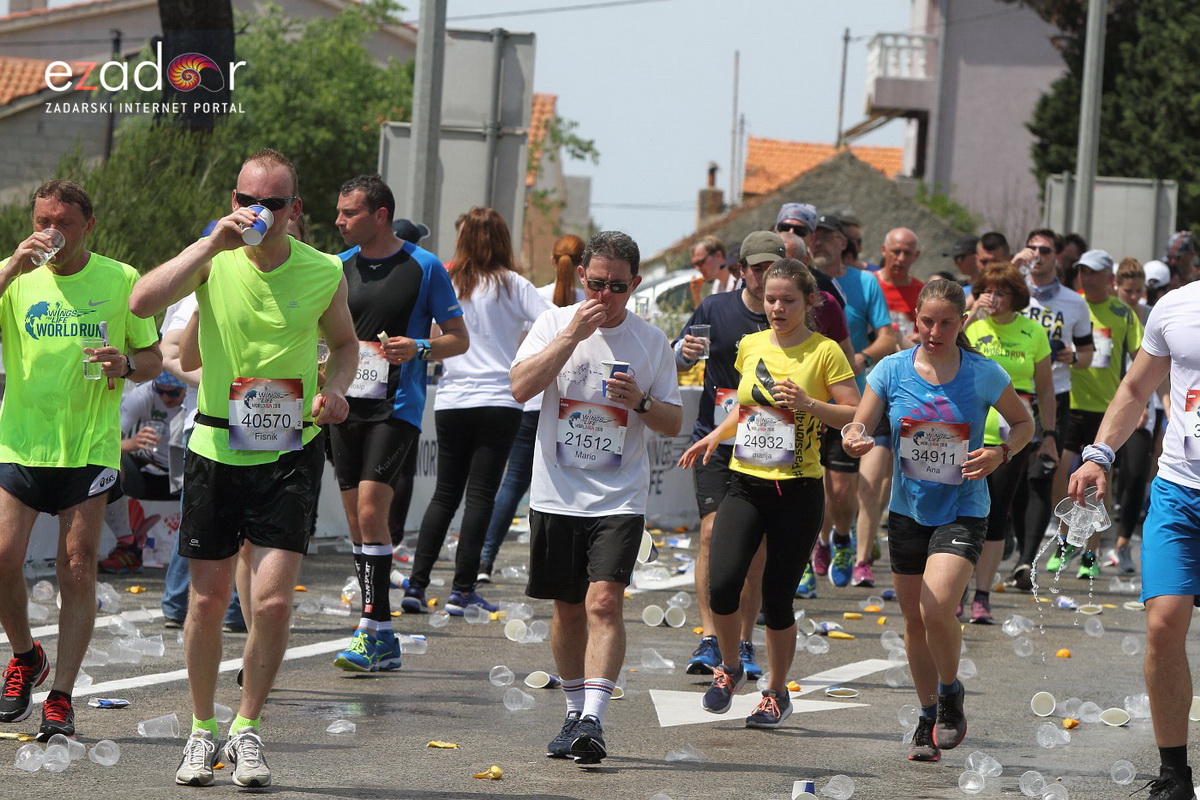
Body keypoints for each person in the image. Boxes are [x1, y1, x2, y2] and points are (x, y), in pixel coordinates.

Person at [130, 148, 358, 788]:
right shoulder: (213, 259)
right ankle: (201, 730)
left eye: (271, 203)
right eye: (245, 200)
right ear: (232, 201)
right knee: (206, 603)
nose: (257, 212)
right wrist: (209, 245)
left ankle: (247, 727)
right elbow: (142, 303)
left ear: (294, 209)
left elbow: (345, 345)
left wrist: (335, 390)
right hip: (214, 447)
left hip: (289, 449)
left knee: (274, 602)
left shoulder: (323, 269)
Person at [843, 278, 1032, 762]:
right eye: (927, 321)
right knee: (913, 620)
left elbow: (1025, 423)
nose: (935, 331)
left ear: (962, 322)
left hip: (964, 507)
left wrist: (1000, 453)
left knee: (936, 607)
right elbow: (860, 421)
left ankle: (950, 694)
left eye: (947, 323)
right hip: (908, 511)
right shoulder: (891, 369)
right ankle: (928, 716)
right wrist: (854, 437)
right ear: (916, 320)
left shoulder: (983, 373)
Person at [510, 231, 681, 765]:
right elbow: (519, 387)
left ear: (635, 285)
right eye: (597, 284)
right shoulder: (552, 324)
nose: (605, 296)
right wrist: (570, 337)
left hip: (618, 497)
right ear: (582, 276)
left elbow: (674, 422)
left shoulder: (651, 342)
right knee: (567, 610)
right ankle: (572, 712)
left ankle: (593, 719)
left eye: (618, 287)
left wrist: (642, 403)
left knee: (603, 601)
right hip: (557, 494)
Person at [0, 179, 161, 741]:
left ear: (88, 226)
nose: (52, 233)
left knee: (76, 563)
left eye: (64, 223)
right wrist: (11, 267)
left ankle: (62, 696)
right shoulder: (14, 278)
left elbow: (153, 356)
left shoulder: (120, 279)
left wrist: (127, 366)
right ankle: (27, 657)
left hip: (88, 445)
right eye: (43, 221)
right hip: (22, 443)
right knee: (2, 557)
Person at [679, 258, 859, 728]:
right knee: (722, 585)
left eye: (788, 300)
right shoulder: (751, 344)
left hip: (797, 490)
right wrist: (713, 436)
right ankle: (730, 667)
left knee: (777, 600)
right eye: (770, 299)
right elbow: (746, 408)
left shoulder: (825, 352)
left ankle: (776, 692)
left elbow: (855, 412)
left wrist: (809, 403)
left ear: (809, 301)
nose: (777, 307)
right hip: (745, 481)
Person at [1067, 275, 1200, 800]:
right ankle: (1174, 776)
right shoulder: (1177, 306)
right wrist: (1100, 454)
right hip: (1179, 492)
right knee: (1163, 626)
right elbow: (1134, 389)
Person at [328, 175, 467, 671]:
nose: (339, 221)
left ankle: (373, 626)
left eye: (349, 213)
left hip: (397, 406)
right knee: (354, 518)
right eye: (339, 212)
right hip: (344, 403)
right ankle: (380, 633)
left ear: (380, 215)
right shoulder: (336, 267)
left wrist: (420, 347)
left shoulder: (424, 266)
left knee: (372, 510)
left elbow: (459, 338)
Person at [403, 207, 548, 617]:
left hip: (453, 398)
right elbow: (551, 323)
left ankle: (416, 584)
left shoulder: (450, 281)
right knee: (481, 495)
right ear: (503, 239)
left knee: (445, 494)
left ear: (462, 240)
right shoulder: (513, 284)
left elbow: (433, 336)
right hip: (500, 399)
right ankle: (462, 589)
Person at [673, 230, 779, 679]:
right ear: (741, 270)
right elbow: (676, 357)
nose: (765, 277)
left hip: (767, 440)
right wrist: (683, 352)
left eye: (773, 268)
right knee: (711, 534)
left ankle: (746, 641)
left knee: (754, 549)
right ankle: (711, 637)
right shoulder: (715, 308)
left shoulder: (788, 317)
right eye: (757, 268)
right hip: (715, 439)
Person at [479, 234, 586, 580]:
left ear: (554, 262)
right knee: (580, 482)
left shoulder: (534, 296)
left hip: (533, 402)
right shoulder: (591, 304)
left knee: (513, 482)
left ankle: (484, 558)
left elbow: (522, 348)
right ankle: (576, 566)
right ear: (583, 268)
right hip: (575, 406)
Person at [962, 262, 1057, 622]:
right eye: (987, 290)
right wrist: (972, 312)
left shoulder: (1033, 331)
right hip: (967, 431)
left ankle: (982, 594)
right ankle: (958, 588)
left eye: (1001, 292)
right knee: (961, 514)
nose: (994, 298)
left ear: (1016, 296)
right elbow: (940, 349)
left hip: (1010, 437)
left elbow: (1046, 389)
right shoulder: (972, 325)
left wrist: (1050, 435)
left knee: (996, 513)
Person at [810, 213, 898, 589]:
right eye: (814, 235)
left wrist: (861, 358)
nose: (818, 241)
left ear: (842, 243)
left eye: (826, 235)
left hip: (852, 398)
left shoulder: (865, 283)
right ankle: (816, 543)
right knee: (812, 484)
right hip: (805, 398)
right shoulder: (800, 281)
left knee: (843, 489)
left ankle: (841, 538)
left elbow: (888, 338)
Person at [1046, 250, 1142, 580]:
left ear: (1109, 277)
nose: (1086, 277)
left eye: (1093, 271)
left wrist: (1142, 404)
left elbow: (1141, 358)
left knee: (1101, 484)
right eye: (1082, 271)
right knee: (1062, 474)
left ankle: (1091, 552)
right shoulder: (1073, 304)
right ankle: (1063, 541)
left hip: (1106, 409)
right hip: (1070, 402)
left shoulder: (1122, 312)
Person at [1009, 228, 1094, 589]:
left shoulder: (1073, 302)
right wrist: (1013, 266)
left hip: (1053, 396)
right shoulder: (1014, 292)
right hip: (1011, 395)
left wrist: (1072, 357)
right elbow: (980, 303)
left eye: (1044, 250)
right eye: (1031, 248)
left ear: (1057, 256)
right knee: (1013, 481)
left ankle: (1026, 562)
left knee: (1040, 477)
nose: (1037, 255)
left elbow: (1088, 355)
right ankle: (1017, 544)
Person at [97, 371, 189, 574]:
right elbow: (106, 445)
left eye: (173, 393)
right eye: (160, 391)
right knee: (105, 466)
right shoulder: (141, 396)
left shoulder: (198, 399)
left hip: (186, 475)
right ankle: (127, 544)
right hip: (148, 468)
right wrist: (131, 443)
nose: (165, 398)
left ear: (186, 388)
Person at [688, 236, 735, 308]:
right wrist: (696, 296)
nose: (697, 268)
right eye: (695, 265)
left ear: (718, 256)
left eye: (701, 262)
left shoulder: (739, 280)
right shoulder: (718, 286)